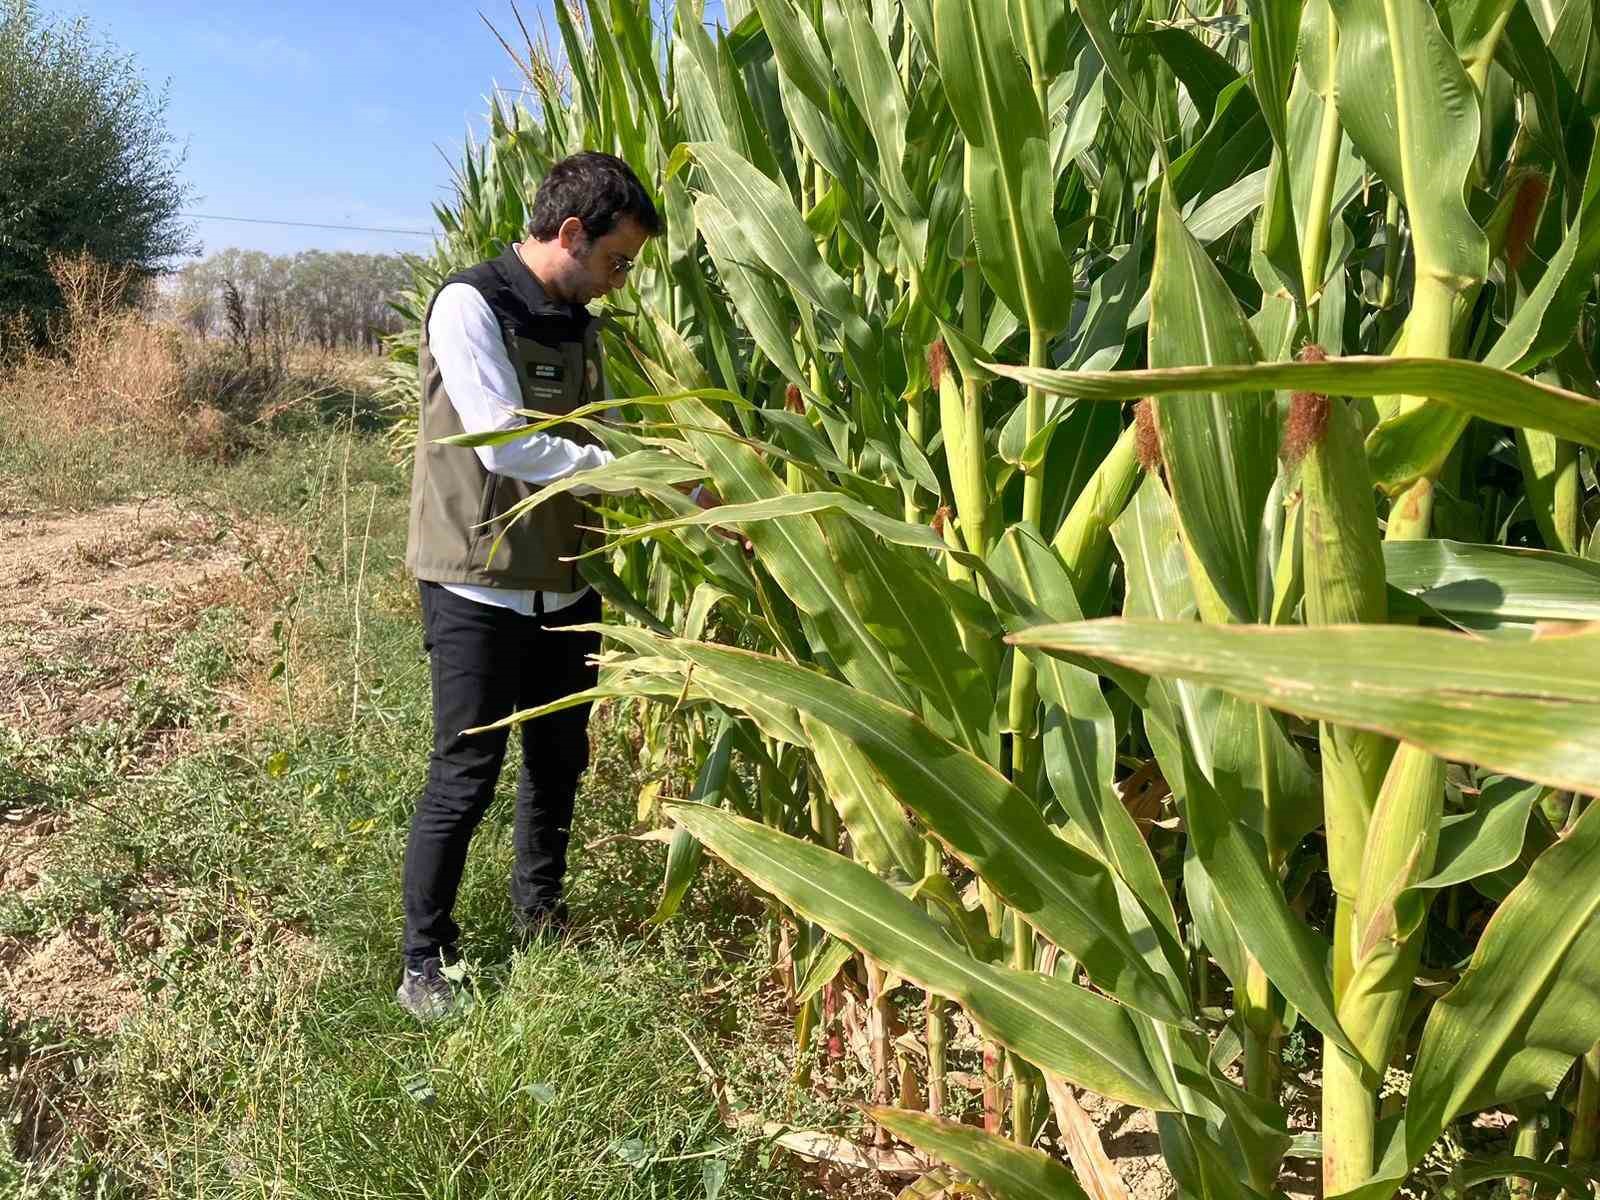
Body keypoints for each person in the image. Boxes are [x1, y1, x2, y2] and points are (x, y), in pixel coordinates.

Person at [396, 151, 665, 1021]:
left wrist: (679, 485)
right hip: (478, 582)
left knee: (559, 760)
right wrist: (625, 469)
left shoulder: (580, 324)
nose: (618, 283)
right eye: (616, 261)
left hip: (563, 580)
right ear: (572, 232)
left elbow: (607, 428)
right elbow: (502, 441)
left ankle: (538, 915)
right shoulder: (471, 303)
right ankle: (423, 961)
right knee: (465, 771)